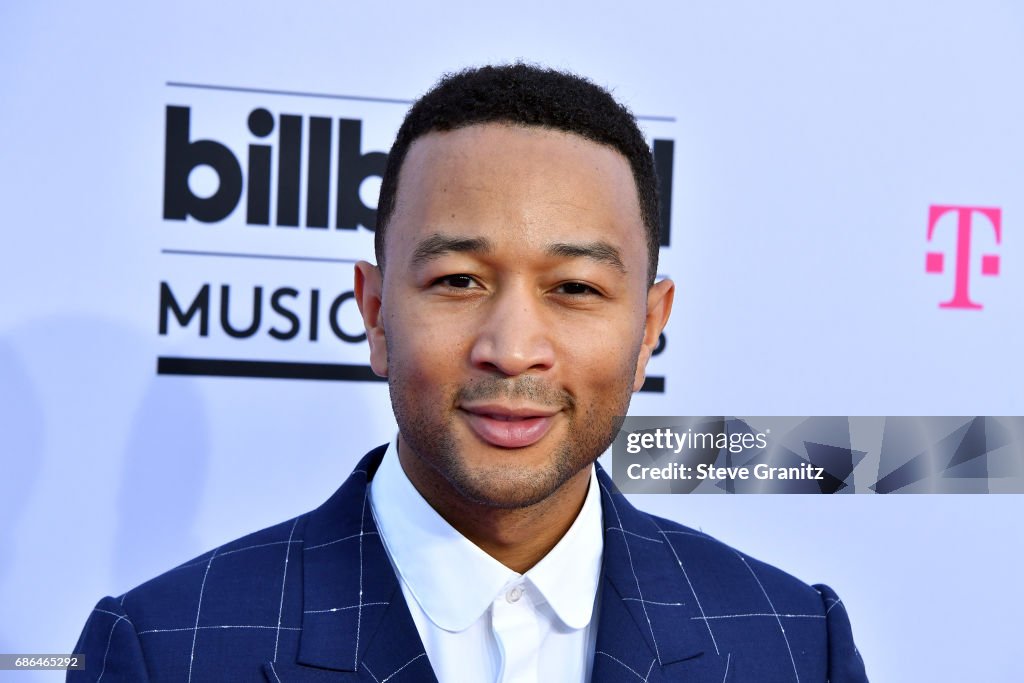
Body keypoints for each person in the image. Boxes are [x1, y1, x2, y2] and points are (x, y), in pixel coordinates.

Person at [71, 64, 869, 682]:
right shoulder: (164, 648)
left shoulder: (793, 641)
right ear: (377, 311)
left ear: (650, 326)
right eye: (458, 280)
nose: (513, 347)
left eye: (575, 289)